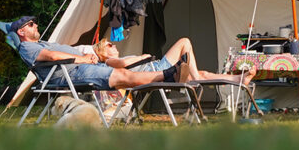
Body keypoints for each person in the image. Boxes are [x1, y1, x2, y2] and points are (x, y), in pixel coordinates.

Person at [10, 16, 185, 90]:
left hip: (82, 68)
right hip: (72, 73)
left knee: (124, 74)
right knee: (121, 75)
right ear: (21, 32)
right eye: (31, 25)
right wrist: (83, 58)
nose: (36, 25)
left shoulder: (41, 43)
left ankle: (167, 76)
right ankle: (168, 75)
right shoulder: (27, 47)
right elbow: (52, 57)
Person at [93, 37, 257, 86]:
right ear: (103, 52)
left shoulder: (115, 59)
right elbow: (123, 65)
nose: (113, 45)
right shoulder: (109, 62)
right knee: (185, 42)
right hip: (155, 71)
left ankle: (239, 79)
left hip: (155, 69)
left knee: (201, 73)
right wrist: (142, 57)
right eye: (109, 45)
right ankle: (197, 78)